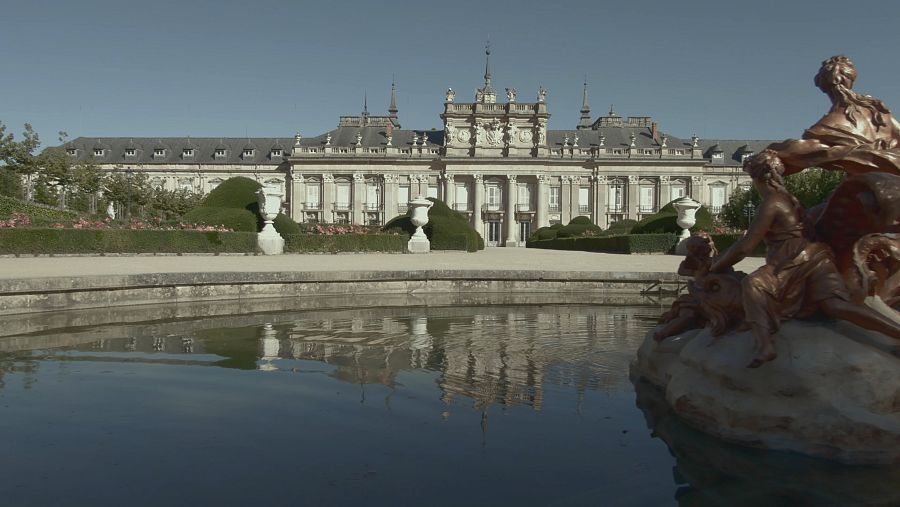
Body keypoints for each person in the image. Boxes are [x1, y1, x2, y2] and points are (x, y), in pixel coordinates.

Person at [709, 150, 900, 367]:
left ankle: (765, 345)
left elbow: (745, 247)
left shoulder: (772, 202)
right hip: (818, 256)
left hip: (792, 261)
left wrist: (716, 265)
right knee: (836, 306)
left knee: (753, 284)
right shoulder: (791, 200)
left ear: (758, 178)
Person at [767, 55, 900, 177]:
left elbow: (809, 152)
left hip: (867, 186)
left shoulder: (832, 122)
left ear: (823, 86)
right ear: (851, 79)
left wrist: (773, 152)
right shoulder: (879, 112)